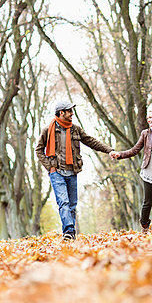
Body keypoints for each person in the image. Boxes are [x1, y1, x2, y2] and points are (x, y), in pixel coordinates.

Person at [36, 101, 117, 240]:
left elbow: (91, 141)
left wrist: (109, 150)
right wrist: (50, 167)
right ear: (61, 113)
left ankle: (69, 235)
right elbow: (39, 150)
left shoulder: (75, 129)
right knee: (63, 202)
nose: (72, 114)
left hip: (72, 171)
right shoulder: (48, 130)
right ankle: (69, 230)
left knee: (72, 205)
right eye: (69, 111)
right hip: (57, 172)